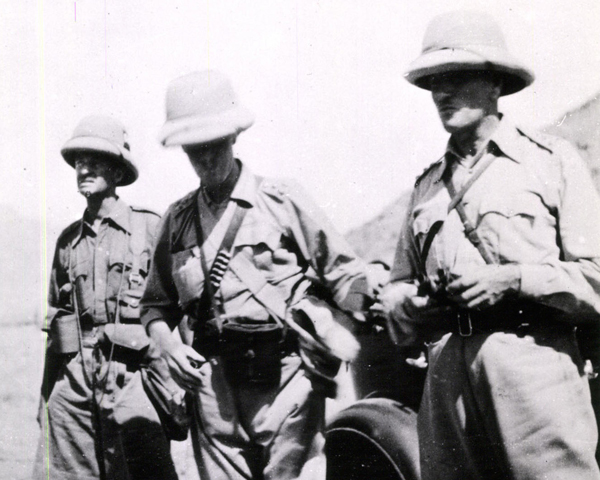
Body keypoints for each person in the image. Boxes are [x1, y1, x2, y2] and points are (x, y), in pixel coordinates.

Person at [379, 10, 600, 480]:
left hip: (534, 376)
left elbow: (596, 278)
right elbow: (396, 288)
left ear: (496, 84)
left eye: (456, 76)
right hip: (446, 386)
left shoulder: (550, 164)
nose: (442, 92)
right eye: (434, 81)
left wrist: (514, 278)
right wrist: (408, 305)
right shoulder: (427, 189)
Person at [140, 70, 371, 480]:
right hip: (213, 392)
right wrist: (171, 349)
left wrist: (337, 341)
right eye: (194, 150)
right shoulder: (176, 220)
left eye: (213, 145)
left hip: (288, 384)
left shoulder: (280, 201)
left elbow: (345, 272)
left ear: (233, 137)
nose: (206, 159)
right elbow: (155, 306)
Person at [34, 115, 178, 480]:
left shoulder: (149, 227)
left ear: (117, 172)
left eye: (95, 160)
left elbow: (180, 309)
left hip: (133, 377)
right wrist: (46, 396)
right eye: (79, 161)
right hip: (76, 382)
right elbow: (57, 325)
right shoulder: (68, 241)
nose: (84, 168)